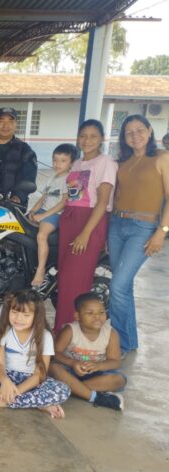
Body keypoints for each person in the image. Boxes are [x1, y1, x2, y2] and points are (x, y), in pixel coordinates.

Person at [108, 114, 169, 355]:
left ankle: (120, 342)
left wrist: (161, 232)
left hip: (143, 228)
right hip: (116, 226)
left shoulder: (162, 158)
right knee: (123, 286)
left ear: (150, 130)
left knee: (117, 285)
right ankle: (128, 340)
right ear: (124, 138)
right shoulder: (121, 163)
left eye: (140, 130)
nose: (135, 135)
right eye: (129, 132)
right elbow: (116, 197)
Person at [0, 290, 71, 418]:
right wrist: (5, 382)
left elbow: (40, 373)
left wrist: (16, 391)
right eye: (14, 312)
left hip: (32, 381)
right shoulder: (4, 331)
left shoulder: (45, 336)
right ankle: (38, 404)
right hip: (7, 375)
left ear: (37, 316)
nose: (18, 319)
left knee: (63, 390)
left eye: (26, 315)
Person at [55, 120, 116, 333]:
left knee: (76, 281)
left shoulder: (106, 162)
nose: (87, 140)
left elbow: (102, 201)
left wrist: (85, 234)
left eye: (93, 136)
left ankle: (73, 335)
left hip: (89, 222)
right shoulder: (78, 164)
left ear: (102, 139)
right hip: (71, 220)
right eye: (83, 135)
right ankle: (61, 332)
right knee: (64, 280)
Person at [50, 293, 126, 411]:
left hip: (96, 374)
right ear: (77, 316)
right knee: (53, 368)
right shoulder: (70, 330)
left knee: (119, 379)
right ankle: (94, 397)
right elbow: (55, 352)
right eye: (90, 313)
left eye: (101, 312)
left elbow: (115, 362)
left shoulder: (111, 333)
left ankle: (74, 390)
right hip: (70, 371)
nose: (97, 317)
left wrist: (98, 366)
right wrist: (72, 363)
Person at [28, 144, 76, 287]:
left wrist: (42, 216)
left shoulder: (68, 179)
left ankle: (41, 270)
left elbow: (63, 202)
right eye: (55, 160)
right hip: (44, 210)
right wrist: (33, 211)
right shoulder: (51, 178)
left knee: (41, 236)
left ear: (71, 163)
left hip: (56, 214)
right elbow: (43, 198)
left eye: (63, 160)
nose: (57, 164)